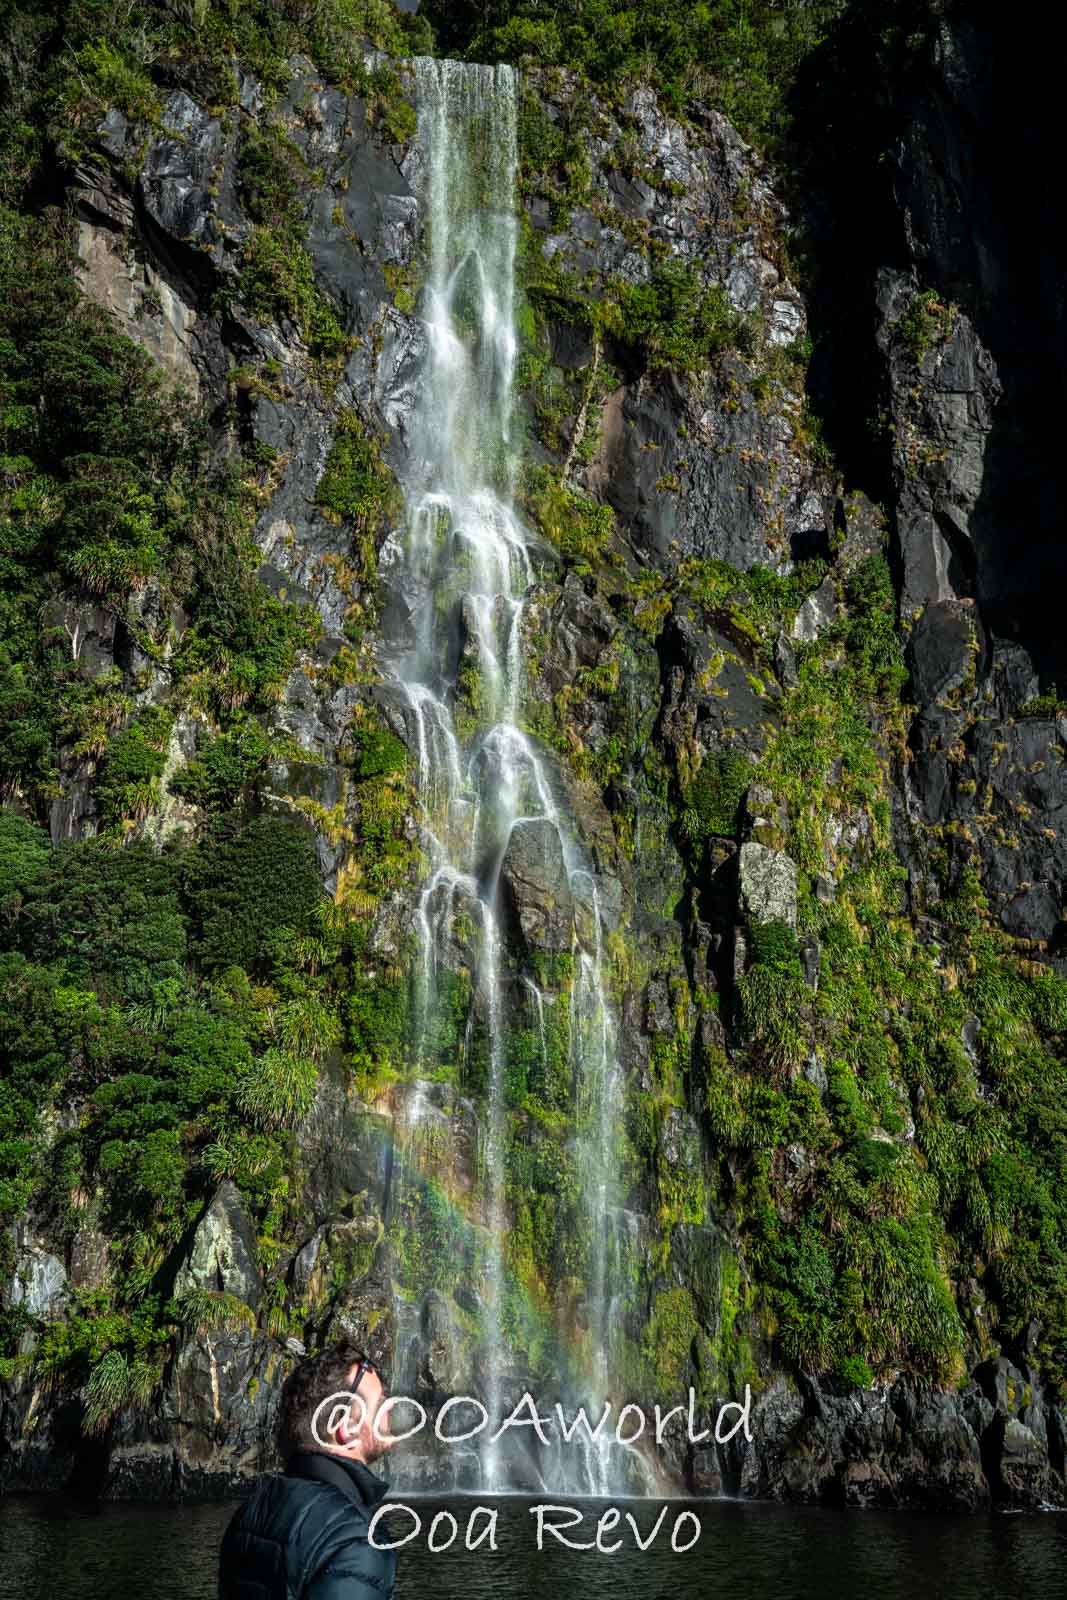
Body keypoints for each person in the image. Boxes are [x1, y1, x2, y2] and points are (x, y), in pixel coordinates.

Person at [218, 1340, 399, 1600]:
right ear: (345, 1427)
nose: (390, 1408)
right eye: (380, 1403)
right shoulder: (355, 1539)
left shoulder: (249, 1514)